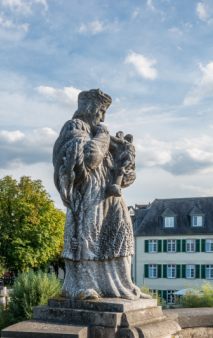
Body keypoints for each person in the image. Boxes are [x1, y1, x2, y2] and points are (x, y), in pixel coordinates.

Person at [52, 88, 150, 300]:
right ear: (90, 109)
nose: (103, 117)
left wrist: (127, 167)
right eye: (101, 111)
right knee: (88, 238)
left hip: (110, 198)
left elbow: (120, 176)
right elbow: (89, 157)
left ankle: (122, 285)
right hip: (88, 198)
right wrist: (105, 135)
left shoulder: (98, 135)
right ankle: (81, 286)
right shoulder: (74, 128)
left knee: (120, 236)